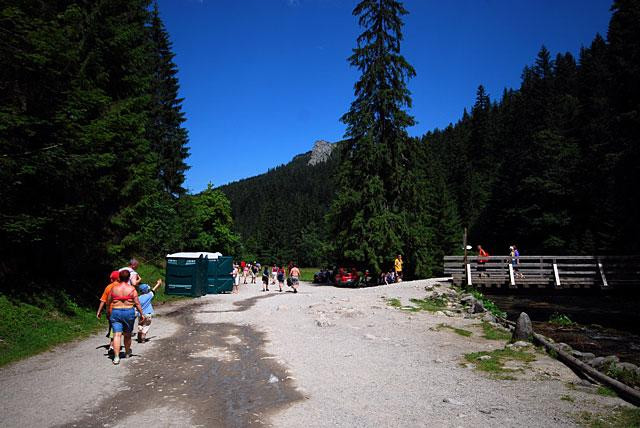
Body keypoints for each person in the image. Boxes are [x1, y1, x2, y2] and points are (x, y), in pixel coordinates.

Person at [106, 270, 145, 365]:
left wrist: (108, 312)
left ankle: (116, 357)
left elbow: (108, 302)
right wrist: (141, 314)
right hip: (128, 312)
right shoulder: (132, 289)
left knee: (117, 334)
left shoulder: (114, 289)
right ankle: (127, 352)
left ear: (119, 278)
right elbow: (137, 303)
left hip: (116, 312)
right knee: (127, 334)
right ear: (128, 278)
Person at [96, 270, 121, 355]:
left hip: (110, 312)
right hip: (121, 310)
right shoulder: (122, 286)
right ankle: (112, 346)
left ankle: (112, 344)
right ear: (118, 278)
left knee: (113, 327)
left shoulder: (108, 287)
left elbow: (103, 300)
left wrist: (99, 311)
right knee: (117, 329)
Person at [136, 279, 162, 343]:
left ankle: (140, 331)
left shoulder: (138, 298)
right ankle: (143, 337)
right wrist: (158, 284)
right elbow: (153, 289)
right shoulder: (149, 295)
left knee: (140, 324)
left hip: (140, 314)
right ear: (147, 290)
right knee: (147, 325)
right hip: (148, 314)